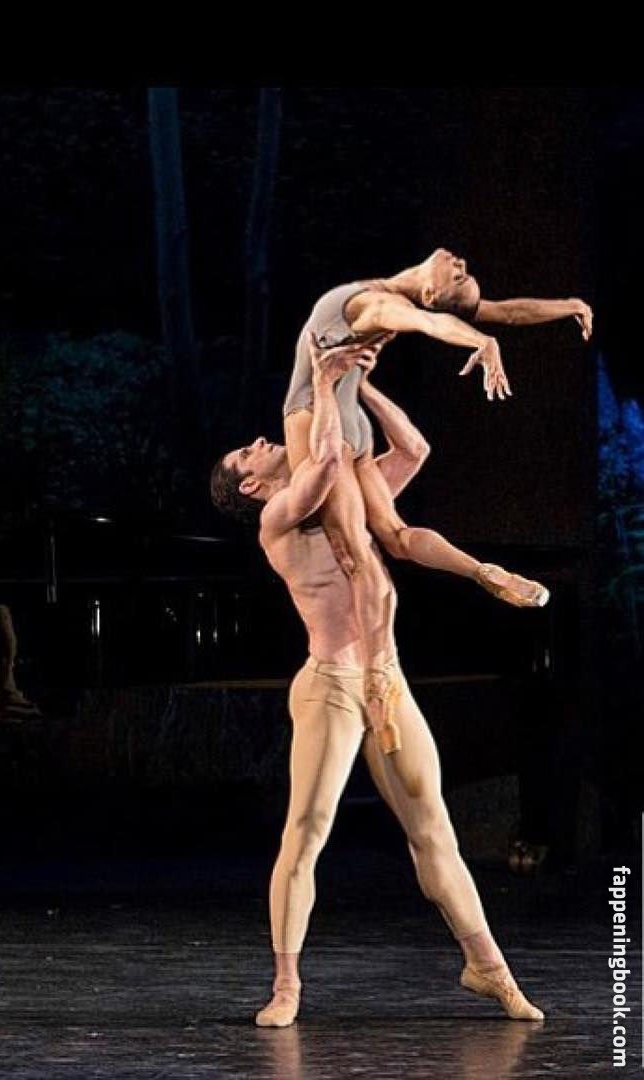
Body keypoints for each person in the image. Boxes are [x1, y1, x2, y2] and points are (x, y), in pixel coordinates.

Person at [210, 340, 543, 1027]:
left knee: (434, 830)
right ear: (250, 486)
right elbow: (326, 462)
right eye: (249, 452)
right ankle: (286, 986)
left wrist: (360, 387)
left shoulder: (352, 496)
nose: (261, 441)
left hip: (385, 679)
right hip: (331, 684)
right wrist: (324, 384)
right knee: (307, 830)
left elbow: (413, 449)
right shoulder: (277, 518)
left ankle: (488, 968)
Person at [280, 250, 592, 752]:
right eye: (463, 273)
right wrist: (568, 305)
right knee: (396, 536)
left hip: (318, 417)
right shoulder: (385, 298)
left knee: (357, 558)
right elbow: (506, 311)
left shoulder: (370, 302)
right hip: (355, 420)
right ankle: (482, 571)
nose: (461, 262)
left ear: (428, 292)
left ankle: (378, 692)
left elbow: (428, 322)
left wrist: (481, 340)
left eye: (458, 276)